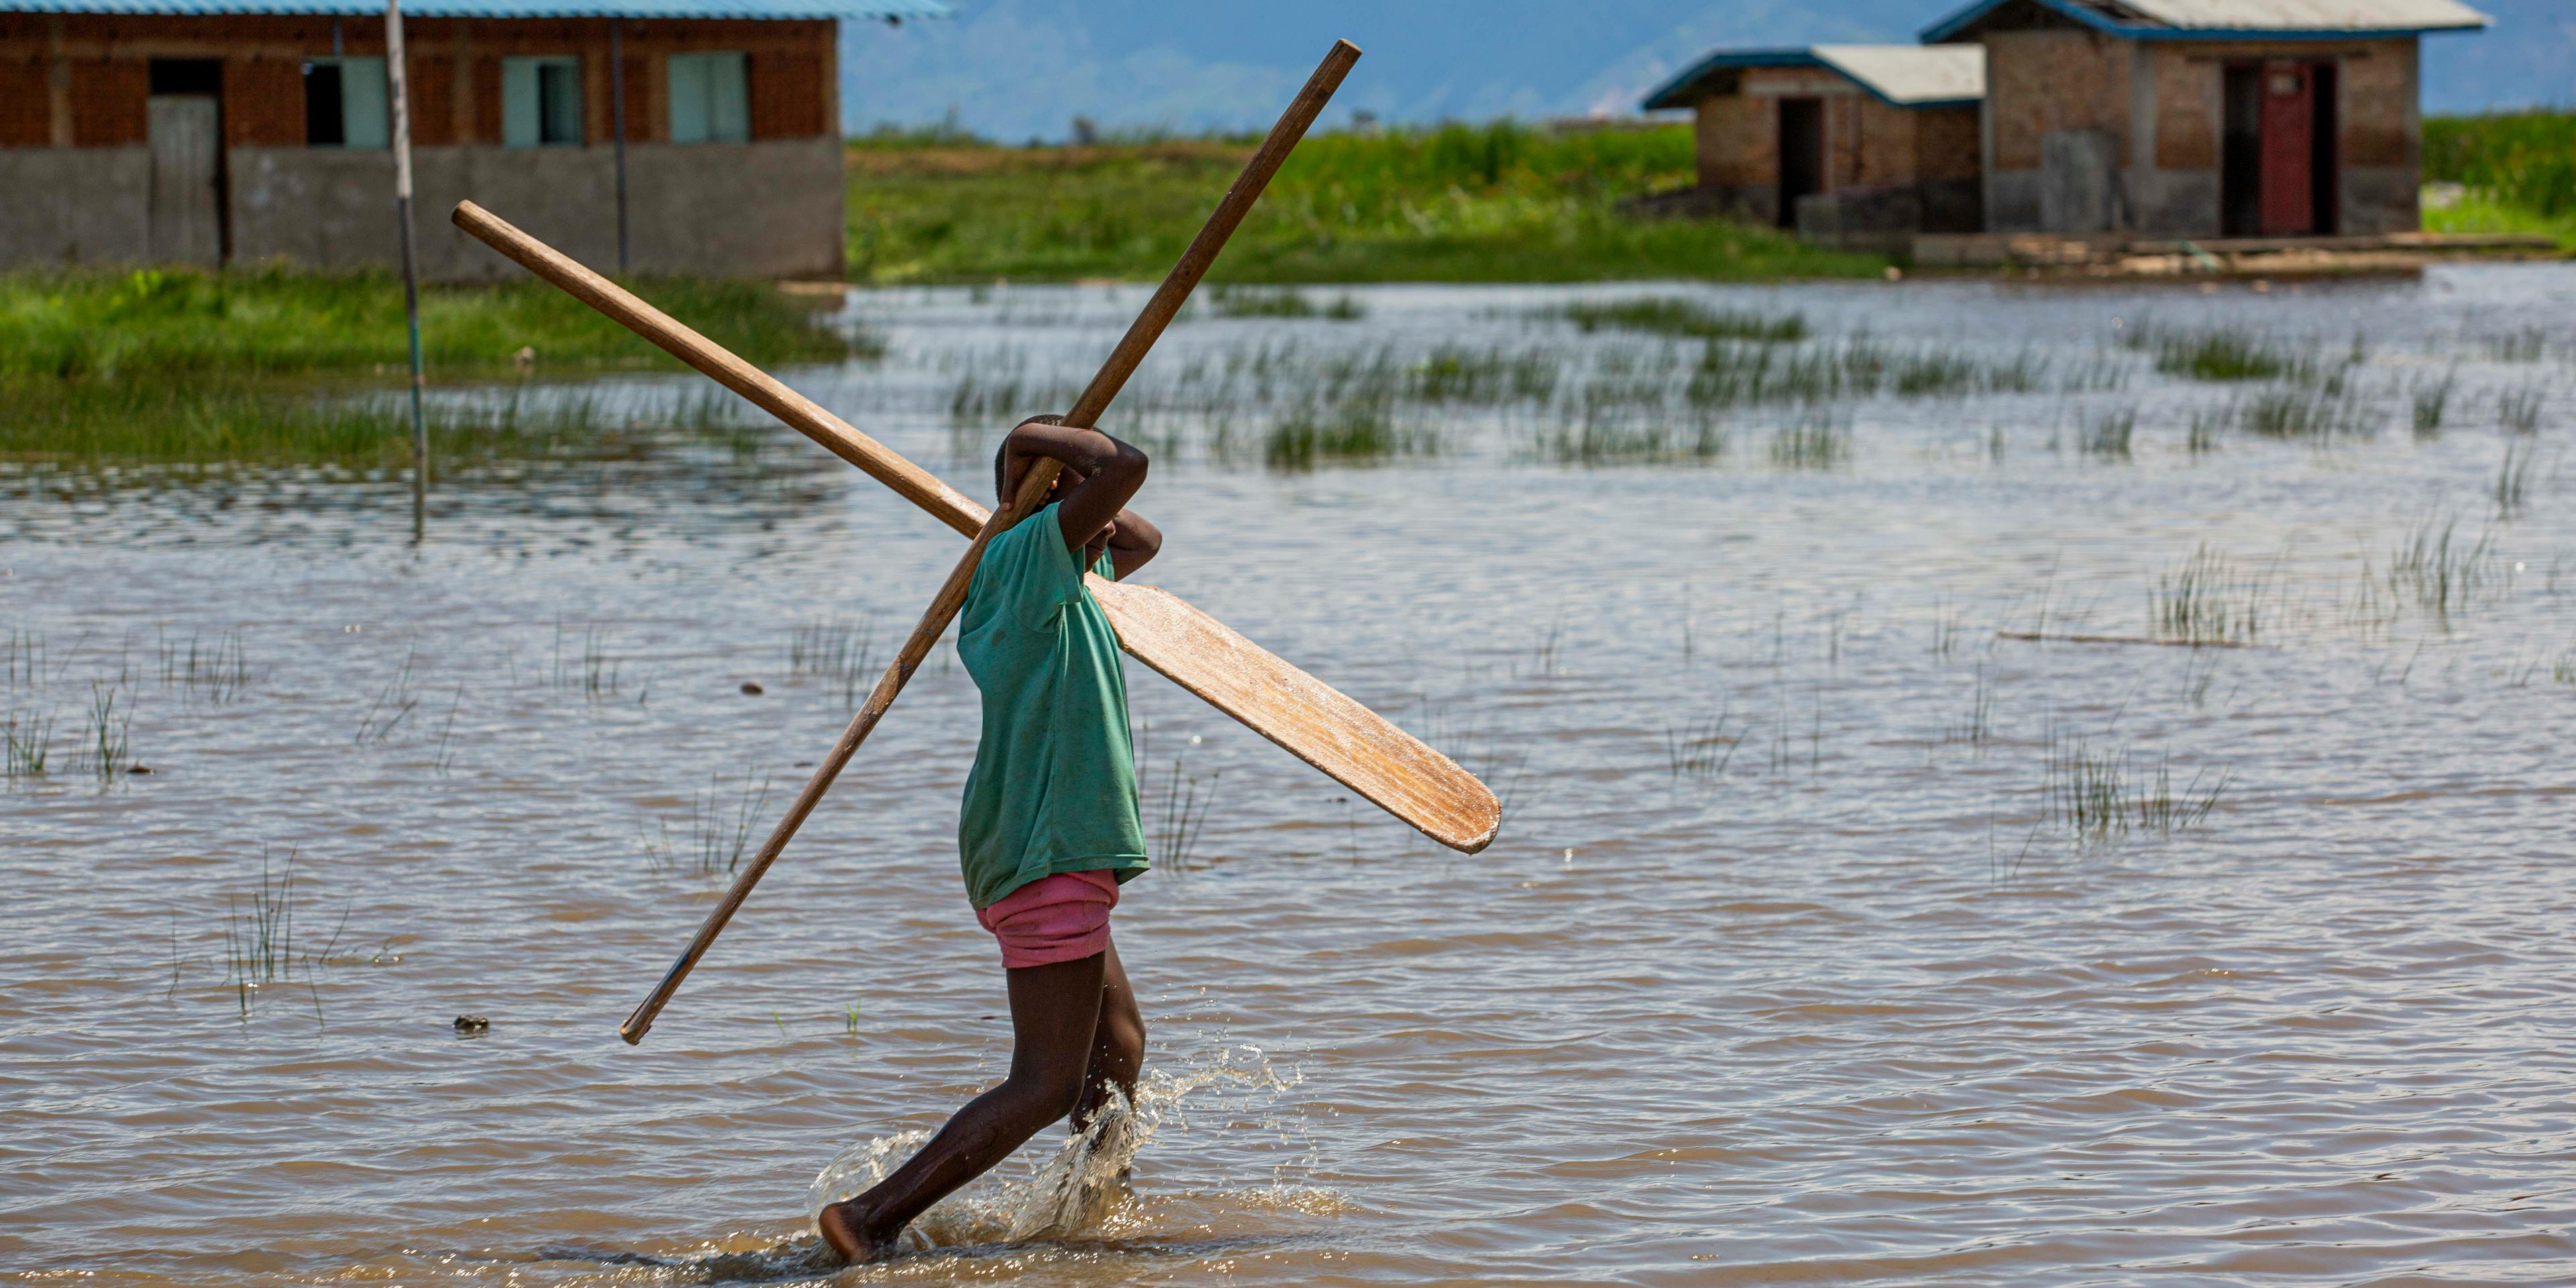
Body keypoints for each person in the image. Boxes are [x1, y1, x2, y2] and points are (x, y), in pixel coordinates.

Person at [818, 415, 1163, 1263]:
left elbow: (1143, 536)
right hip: (1047, 847)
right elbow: (1130, 468)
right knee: (1046, 1080)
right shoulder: (1017, 567)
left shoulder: (1064, 576)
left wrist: (1065, 480)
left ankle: (1091, 1211)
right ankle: (870, 1216)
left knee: (1116, 1045)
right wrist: (1035, 442)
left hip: (1053, 846)